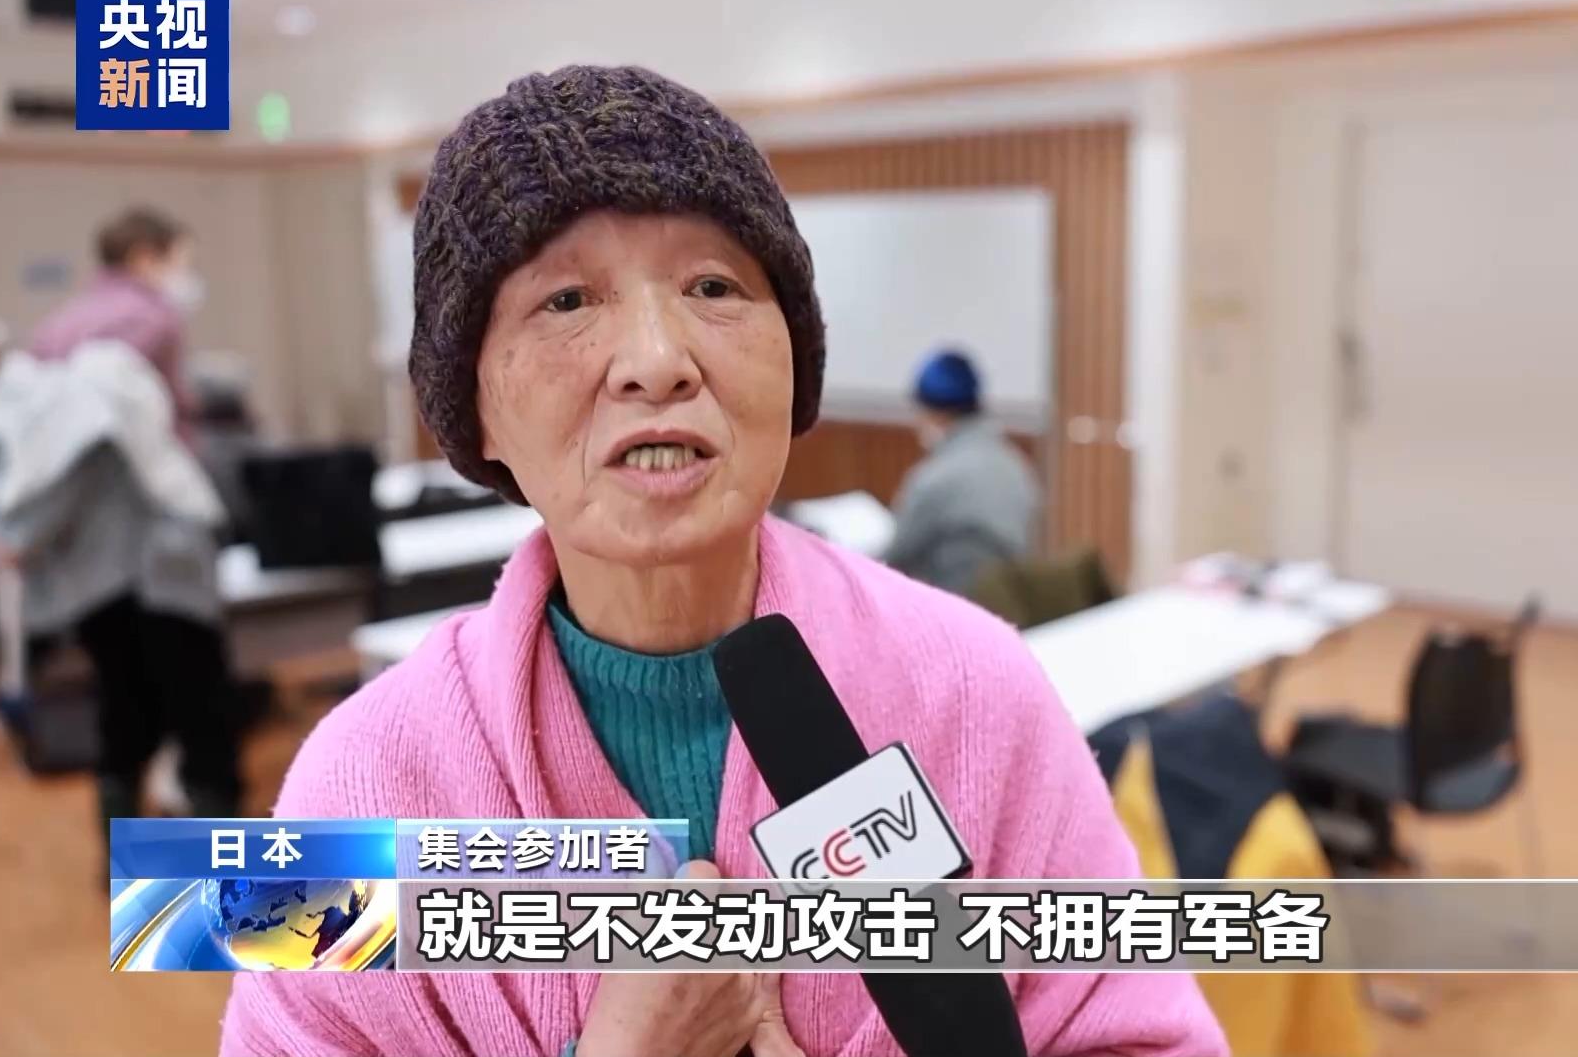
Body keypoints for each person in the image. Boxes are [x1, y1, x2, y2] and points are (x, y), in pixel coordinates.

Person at [222, 66, 1224, 1057]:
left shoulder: (977, 691)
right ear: (472, 405)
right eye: (566, 299)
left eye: (713, 287)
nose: (658, 360)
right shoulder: (357, 782)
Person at [0, 338, 240, 836]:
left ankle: (210, 858)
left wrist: (11, 541)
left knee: (188, 714)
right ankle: (148, 857)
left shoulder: (43, 403)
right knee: (137, 718)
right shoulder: (31, 405)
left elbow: (33, 509)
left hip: (159, 572)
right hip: (119, 585)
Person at [28, 207, 206, 431]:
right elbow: (170, 405)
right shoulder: (155, 317)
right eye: (179, 264)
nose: (184, 275)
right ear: (144, 258)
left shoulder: (63, 318)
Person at [884, 349, 1042, 595]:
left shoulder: (935, 479)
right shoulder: (1016, 466)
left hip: (954, 606)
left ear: (936, 413)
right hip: (1014, 606)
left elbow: (895, 558)